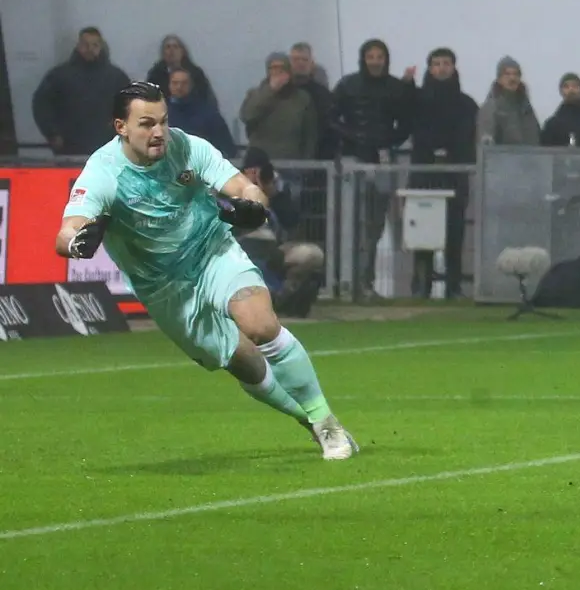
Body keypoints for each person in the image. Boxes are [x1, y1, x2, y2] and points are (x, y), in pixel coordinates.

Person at [55, 82, 357, 460]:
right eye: (147, 124)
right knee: (243, 362)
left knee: (260, 325)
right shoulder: (103, 172)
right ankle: (309, 420)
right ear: (121, 127)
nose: (159, 132)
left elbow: (246, 188)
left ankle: (327, 422)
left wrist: (253, 206)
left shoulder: (188, 147)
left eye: (163, 121)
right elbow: (66, 232)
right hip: (164, 287)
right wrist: (77, 241)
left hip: (212, 251)